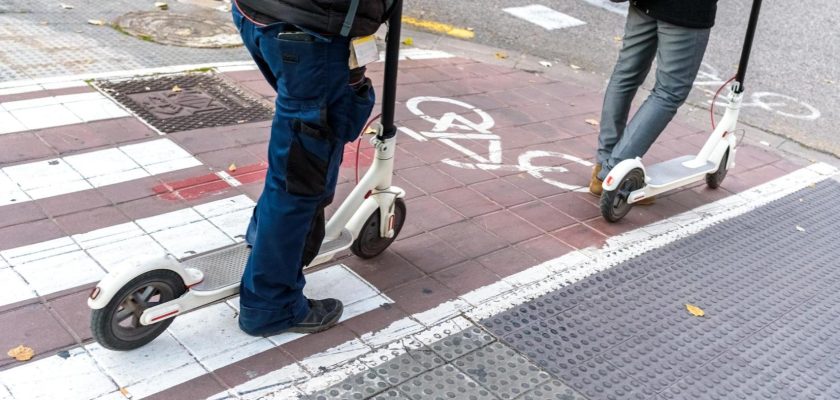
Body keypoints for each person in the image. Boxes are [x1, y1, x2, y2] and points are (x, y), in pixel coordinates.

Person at [230, 0, 392, 336]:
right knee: (300, 174)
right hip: (312, 33)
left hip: (259, 14)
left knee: (298, 149)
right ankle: (271, 305)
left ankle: (264, 238)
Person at [590, 0, 718, 198]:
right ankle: (613, 174)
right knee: (669, 93)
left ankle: (603, 164)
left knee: (626, 74)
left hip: (645, 3)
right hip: (685, 10)